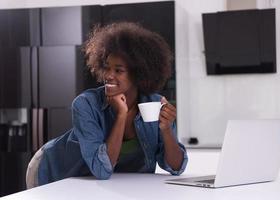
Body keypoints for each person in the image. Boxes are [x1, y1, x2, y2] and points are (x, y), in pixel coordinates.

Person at [26, 22, 188, 188]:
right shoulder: (86, 104)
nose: (108, 76)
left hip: (108, 186)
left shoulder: (154, 104)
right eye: (106, 68)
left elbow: (176, 168)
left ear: (138, 73)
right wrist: (121, 115)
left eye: (118, 70)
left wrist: (167, 129)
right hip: (55, 173)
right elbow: (102, 170)